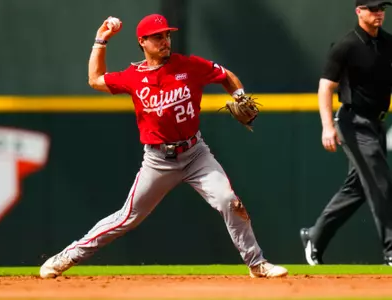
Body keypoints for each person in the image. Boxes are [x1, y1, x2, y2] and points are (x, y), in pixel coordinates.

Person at [40, 13, 288, 278]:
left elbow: (225, 75)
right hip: (158, 161)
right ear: (142, 42)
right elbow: (95, 79)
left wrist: (238, 94)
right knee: (127, 217)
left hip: (196, 155)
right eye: (157, 36)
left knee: (229, 201)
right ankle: (67, 256)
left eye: (167, 35)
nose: (165, 40)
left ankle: (256, 264)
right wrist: (101, 40)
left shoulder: (188, 65)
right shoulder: (133, 76)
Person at [300, 0, 392, 266]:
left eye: (382, 9)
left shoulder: (387, 44)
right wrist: (328, 127)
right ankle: (390, 249)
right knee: (380, 181)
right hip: (353, 123)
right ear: (358, 11)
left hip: (376, 123)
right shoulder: (346, 46)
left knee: (358, 188)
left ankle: (315, 237)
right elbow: (325, 88)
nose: (378, 13)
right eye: (373, 8)